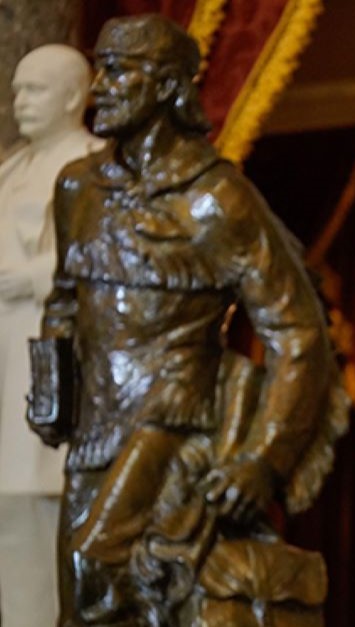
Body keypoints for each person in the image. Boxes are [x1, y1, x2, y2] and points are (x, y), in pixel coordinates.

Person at [29, 15, 342, 624]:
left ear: (171, 88)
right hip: (94, 433)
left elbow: (297, 331)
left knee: (106, 574)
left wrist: (263, 460)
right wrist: (52, 389)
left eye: (121, 71)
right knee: (80, 595)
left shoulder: (215, 199)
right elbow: (65, 297)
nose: (102, 87)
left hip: (176, 429)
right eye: (101, 69)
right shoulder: (79, 188)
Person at [0, 44, 104, 626]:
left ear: (73, 95)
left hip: (53, 358)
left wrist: (35, 278)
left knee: (39, 515)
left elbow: (105, 257)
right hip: (3, 347)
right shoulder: (10, 169)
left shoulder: (98, 164)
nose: (20, 103)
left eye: (34, 90)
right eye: (16, 90)